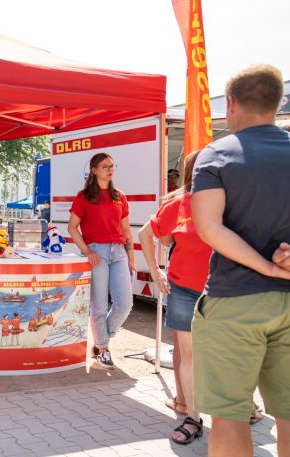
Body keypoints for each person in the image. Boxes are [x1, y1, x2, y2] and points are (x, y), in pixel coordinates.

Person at [191, 64, 290, 457]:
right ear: (277, 103)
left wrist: (265, 266)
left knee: (230, 416)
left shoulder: (217, 155)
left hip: (235, 301)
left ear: (230, 104)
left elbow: (209, 227)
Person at [139, 151, 207, 444]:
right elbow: (146, 234)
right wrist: (155, 272)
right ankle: (193, 416)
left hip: (222, 291)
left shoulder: (232, 201)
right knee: (189, 356)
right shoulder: (178, 203)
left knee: (224, 355)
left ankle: (242, 409)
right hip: (184, 289)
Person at [67, 153, 134, 370]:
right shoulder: (84, 196)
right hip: (97, 252)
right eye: (104, 166)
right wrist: (87, 251)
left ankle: (102, 338)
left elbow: (126, 230)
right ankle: (103, 348)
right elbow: (72, 228)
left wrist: (131, 258)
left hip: (119, 253)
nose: (109, 169)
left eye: (112, 166)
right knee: (99, 305)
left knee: (125, 304)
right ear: (94, 170)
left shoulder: (119, 196)